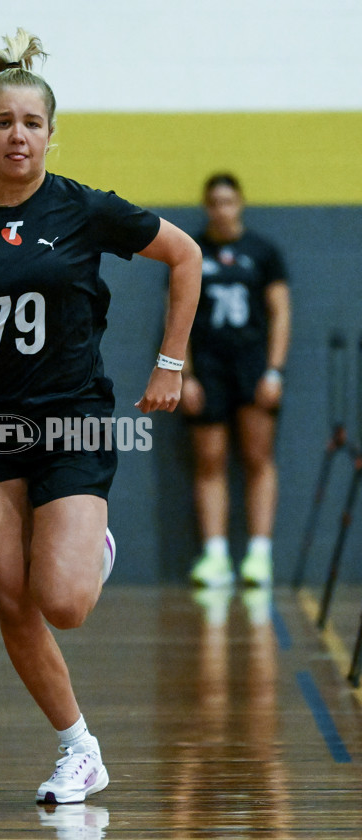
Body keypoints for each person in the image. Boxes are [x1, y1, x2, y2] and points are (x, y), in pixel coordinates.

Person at [0, 27, 201, 804]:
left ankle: (84, 542)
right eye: (3, 122)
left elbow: (186, 256)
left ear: (50, 134)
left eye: (31, 123)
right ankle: (79, 748)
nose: (17, 135)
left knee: (63, 604)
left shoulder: (84, 210)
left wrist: (170, 362)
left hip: (73, 421)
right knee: (13, 601)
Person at [181, 173, 291, 588]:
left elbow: (280, 312)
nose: (222, 209)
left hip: (252, 363)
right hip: (208, 367)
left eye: (229, 201)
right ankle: (215, 557)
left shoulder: (263, 252)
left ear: (240, 203)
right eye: (214, 202)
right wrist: (185, 374)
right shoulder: (191, 252)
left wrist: (274, 369)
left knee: (257, 457)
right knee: (209, 461)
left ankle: (260, 555)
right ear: (206, 206)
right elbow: (180, 318)